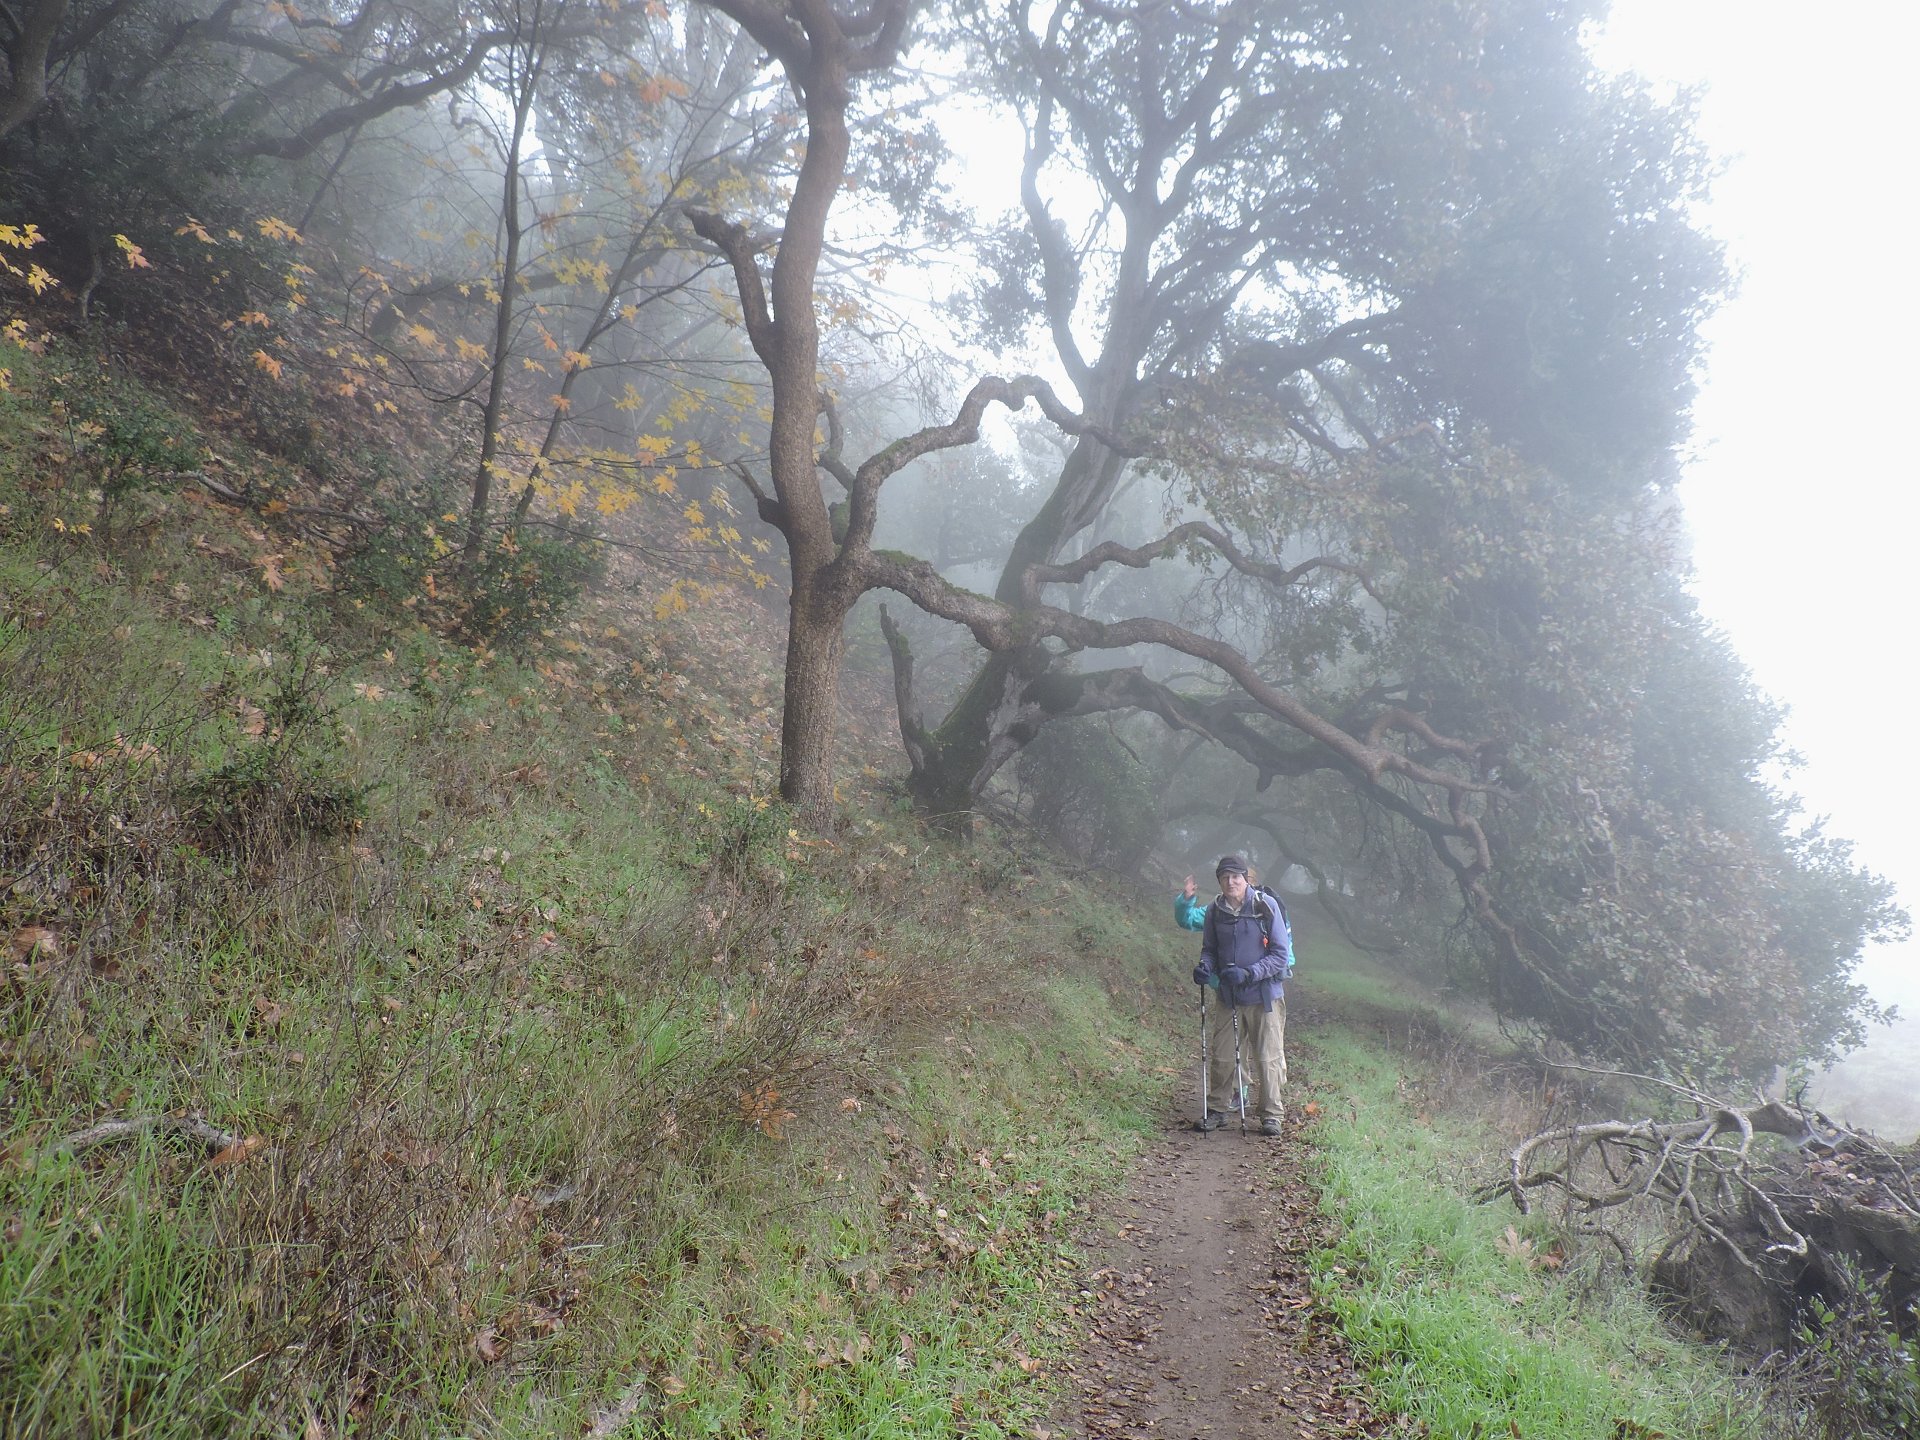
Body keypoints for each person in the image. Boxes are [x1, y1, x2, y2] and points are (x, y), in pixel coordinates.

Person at [1188, 855, 1291, 1136]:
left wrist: (1249, 973)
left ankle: (1271, 1115)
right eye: (1225, 877)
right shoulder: (1215, 910)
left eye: (1236, 876)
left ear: (1246, 879)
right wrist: (1205, 967)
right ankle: (1217, 1110)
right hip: (1229, 995)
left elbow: (1280, 955)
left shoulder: (1264, 906)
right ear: (1219, 881)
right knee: (1222, 1055)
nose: (1230, 882)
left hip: (1264, 996)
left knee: (1267, 1058)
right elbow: (1209, 949)